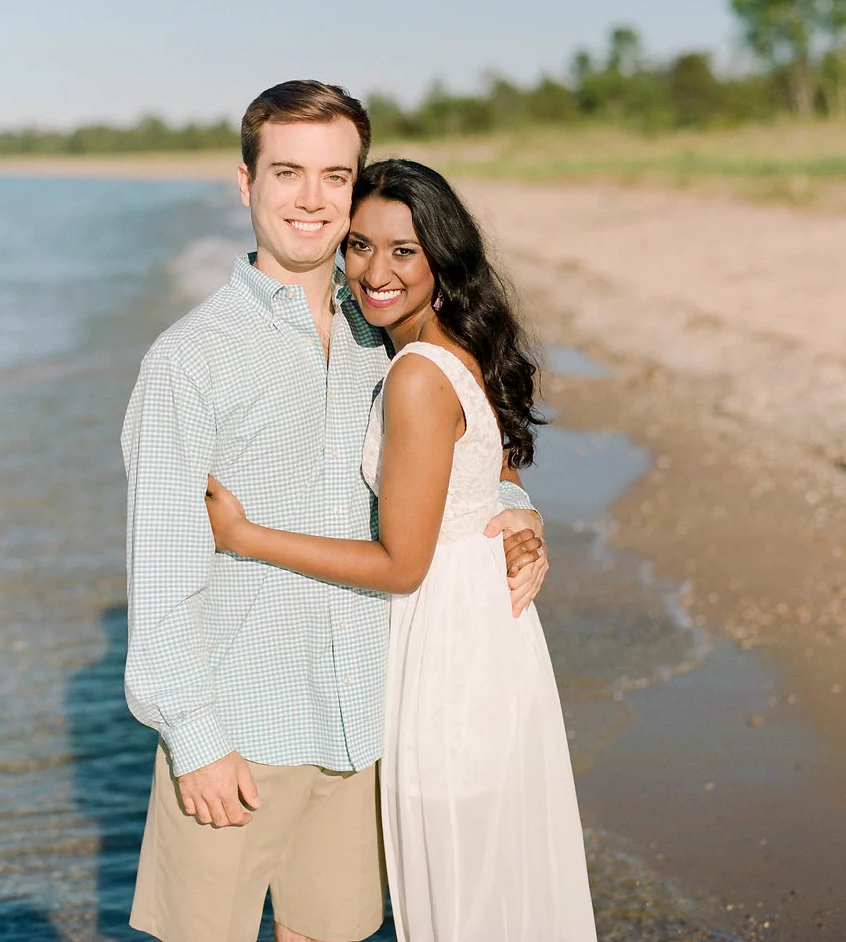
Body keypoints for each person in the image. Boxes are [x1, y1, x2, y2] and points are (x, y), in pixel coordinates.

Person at [122, 82, 547, 942]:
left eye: (334, 176)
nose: (311, 199)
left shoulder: (382, 335)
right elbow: (162, 564)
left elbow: (459, 443)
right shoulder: (188, 362)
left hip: (365, 719)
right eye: (287, 172)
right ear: (246, 184)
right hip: (240, 726)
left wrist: (513, 510)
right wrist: (194, 737)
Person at [206, 158, 598, 942]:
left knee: (453, 876)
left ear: (441, 258)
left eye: (402, 251)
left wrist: (245, 537)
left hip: (446, 644)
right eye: (358, 246)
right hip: (484, 632)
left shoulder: (415, 374)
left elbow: (401, 563)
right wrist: (519, 515)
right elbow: (492, 467)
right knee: (490, 868)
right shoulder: (453, 351)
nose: (374, 271)